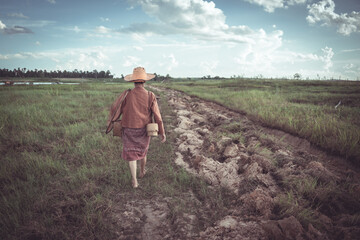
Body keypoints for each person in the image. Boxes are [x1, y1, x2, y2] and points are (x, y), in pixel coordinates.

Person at [107, 67, 166, 188]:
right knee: (142, 152)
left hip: (128, 128)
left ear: (134, 82)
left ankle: (134, 181)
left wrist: (112, 122)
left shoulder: (127, 95)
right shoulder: (150, 95)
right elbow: (157, 116)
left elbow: (116, 110)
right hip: (144, 129)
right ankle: (142, 171)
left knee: (131, 154)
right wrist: (162, 131)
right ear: (144, 81)